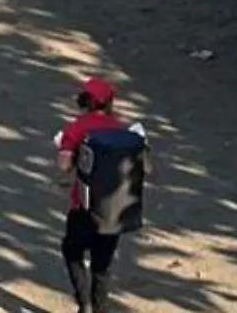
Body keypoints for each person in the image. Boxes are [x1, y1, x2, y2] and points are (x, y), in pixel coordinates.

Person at [58, 77, 150, 313]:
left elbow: (64, 165)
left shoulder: (77, 128)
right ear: (110, 102)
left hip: (83, 208)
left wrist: (69, 151)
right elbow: (147, 168)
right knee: (102, 266)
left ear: (84, 101)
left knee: (72, 251)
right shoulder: (122, 131)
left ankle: (84, 303)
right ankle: (99, 309)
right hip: (113, 210)